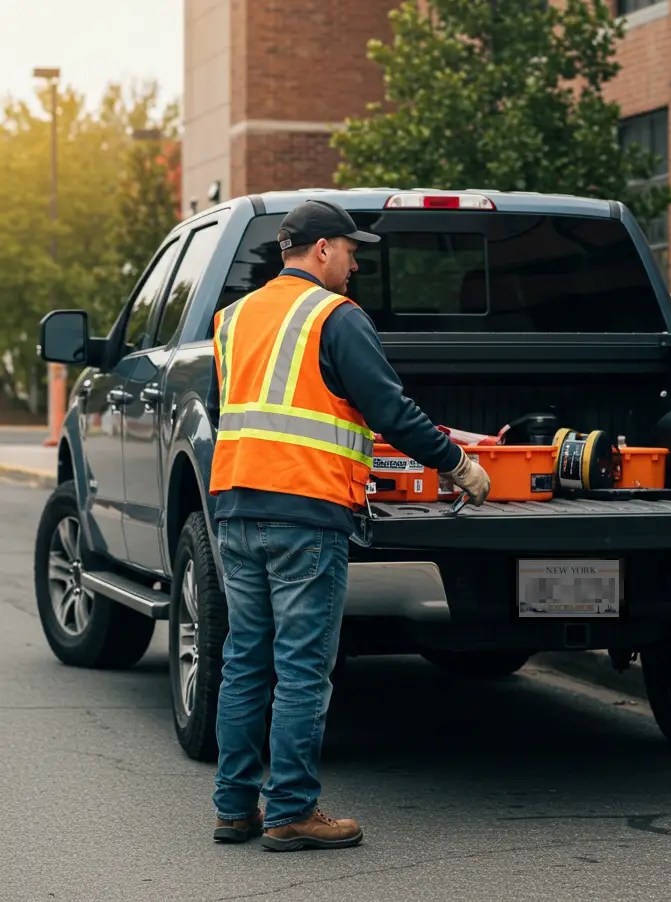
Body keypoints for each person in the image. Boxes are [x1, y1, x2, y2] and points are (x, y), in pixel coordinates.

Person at [206, 199, 490, 852]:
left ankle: (235, 808)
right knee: (303, 667)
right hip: (305, 514)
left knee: (246, 660)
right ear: (323, 251)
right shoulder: (335, 317)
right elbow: (389, 408)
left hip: (236, 510)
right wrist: (456, 464)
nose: (356, 265)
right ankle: (292, 812)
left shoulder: (233, 319)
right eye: (351, 251)